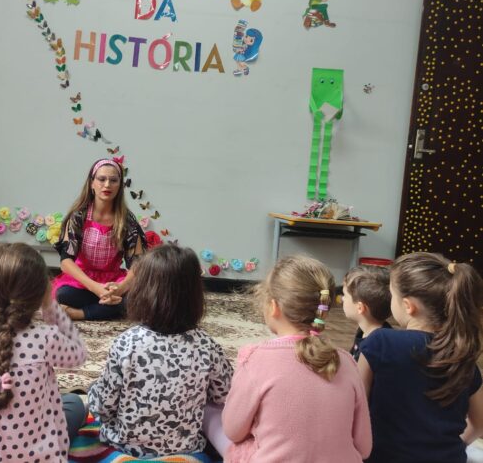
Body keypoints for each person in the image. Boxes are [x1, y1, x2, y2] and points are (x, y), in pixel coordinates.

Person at [0, 243, 87, 461]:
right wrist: (51, 307)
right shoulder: (46, 337)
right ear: (41, 294)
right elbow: (79, 354)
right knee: (75, 404)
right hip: (37, 452)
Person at [88, 245, 233, 458]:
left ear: (142, 292)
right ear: (194, 296)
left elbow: (103, 407)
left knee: (95, 389)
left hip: (126, 447)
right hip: (186, 447)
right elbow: (226, 395)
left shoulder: (126, 343)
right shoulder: (206, 346)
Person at [223, 255, 371, 462]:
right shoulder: (347, 362)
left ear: (273, 306)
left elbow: (232, 430)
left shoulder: (255, 360)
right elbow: (364, 447)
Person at [358, 252, 483, 462]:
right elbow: (479, 423)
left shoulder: (380, 342)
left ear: (408, 306)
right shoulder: (463, 356)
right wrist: (457, 446)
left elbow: (355, 406)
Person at [53, 158, 147, 320]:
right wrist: (97, 289)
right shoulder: (78, 216)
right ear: (92, 183)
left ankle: (79, 313)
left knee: (138, 298)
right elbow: (66, 262)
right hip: (83, 280)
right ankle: (106, 307)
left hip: (114, 281)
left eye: (113, 180)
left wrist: (120, 288)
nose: (107, 185)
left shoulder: (128, 221)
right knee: (64, 294)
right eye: (101, 179)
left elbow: (137, 264)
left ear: (120, 186)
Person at [342, 265, 392, 361]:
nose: (343, 298)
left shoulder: (373, 347)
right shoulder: (365, 331)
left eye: (345, 294)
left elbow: (358, 375)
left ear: (360, 308)